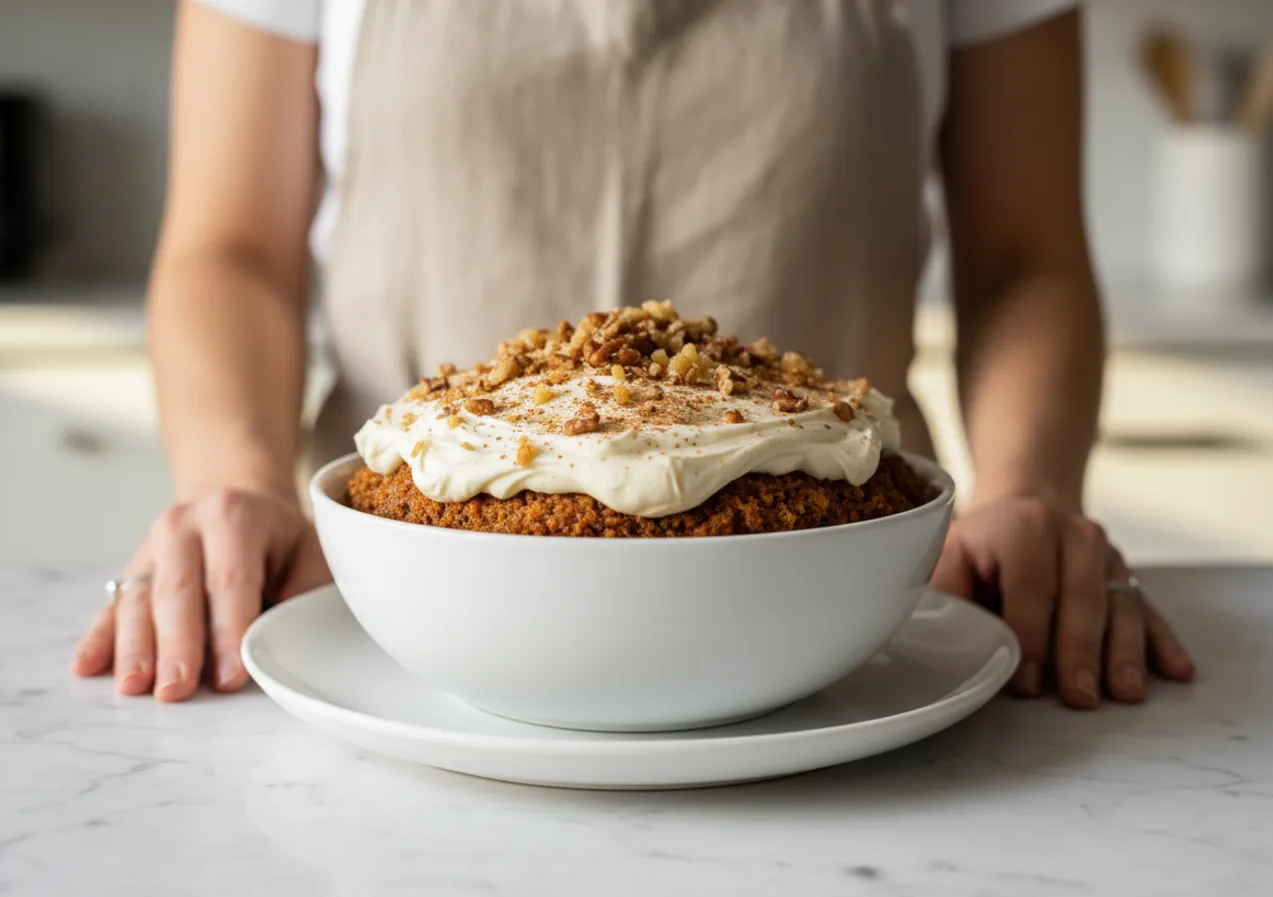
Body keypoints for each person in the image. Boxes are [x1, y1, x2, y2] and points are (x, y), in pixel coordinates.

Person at [72, 0, 1195, 709]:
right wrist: (234, 480)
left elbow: (1024, 255)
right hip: (401, 608)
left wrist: (1027, 488)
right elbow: (231, 249)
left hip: (840, 611)